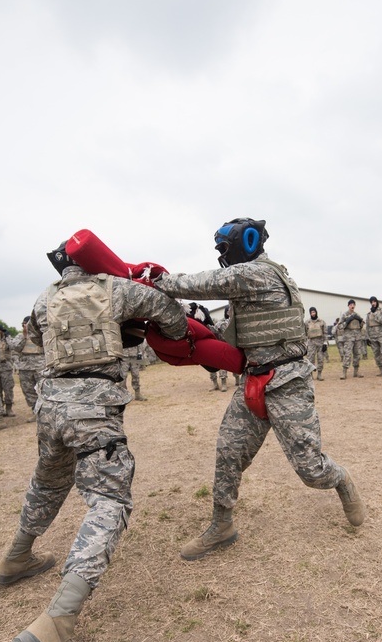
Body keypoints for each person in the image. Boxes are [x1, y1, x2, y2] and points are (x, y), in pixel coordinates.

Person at [0, 237, 190, 642]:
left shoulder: (43, 300)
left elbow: (52, 334)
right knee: (109, 501)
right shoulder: (116, 289)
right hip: (93, 410)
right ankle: (57, 623)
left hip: (50, 408)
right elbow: (173, 319)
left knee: (48, 481)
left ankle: (15, 558)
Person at [155, 218, 366, 562]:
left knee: (311, 471)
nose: (222, 256)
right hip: (253, 381)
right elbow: (236, 331)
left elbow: (207, 282)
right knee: (228, 452)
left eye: (224, 249)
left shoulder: (258, 273)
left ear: (243, 244)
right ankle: (222, 526)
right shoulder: (248, 290)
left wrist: (160, 282)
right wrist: (203, 325)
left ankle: (341, 479)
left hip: (288, 383)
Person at [9, 316, 46, 417]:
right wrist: (24, 336)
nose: (25, 326)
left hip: (40, 366)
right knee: (28, 391)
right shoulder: (20, 336)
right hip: (25, 368)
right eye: (24, 324)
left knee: (43, 390)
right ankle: (35, 411)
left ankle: (45, 411)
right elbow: (15, 348)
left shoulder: (41, 335)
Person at [336, 299, 365, 379]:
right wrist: (347, 322)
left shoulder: (357, 314)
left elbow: (361, 325)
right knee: (347, 355)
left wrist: (361, 321)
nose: (352, 306)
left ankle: (356, 372)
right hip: (348, 338)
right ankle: (344, 372)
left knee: (357, 354)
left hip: (357, 338)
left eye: (353, 304)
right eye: (351, 304)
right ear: (348, 306)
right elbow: (339, 326)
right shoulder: (344, 315)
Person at [0, 325, 16, 417]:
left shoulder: (7, 340)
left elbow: (13, 346)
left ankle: (9, 408)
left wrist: (7, 337)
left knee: (8, 389)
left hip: (6, 368)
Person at [305, 306, 327, 381]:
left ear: (316, 312)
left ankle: (319, 374)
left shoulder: (321, 322)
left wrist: (325, 343)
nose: (313, 314)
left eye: (314, 312)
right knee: (310, 359)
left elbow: (325, 333)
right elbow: (304, 333)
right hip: (311, 343)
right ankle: (310, 375)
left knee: (320, 359)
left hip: (320, 343)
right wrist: (305, 344)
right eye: (311, 312)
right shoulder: (307, 322)